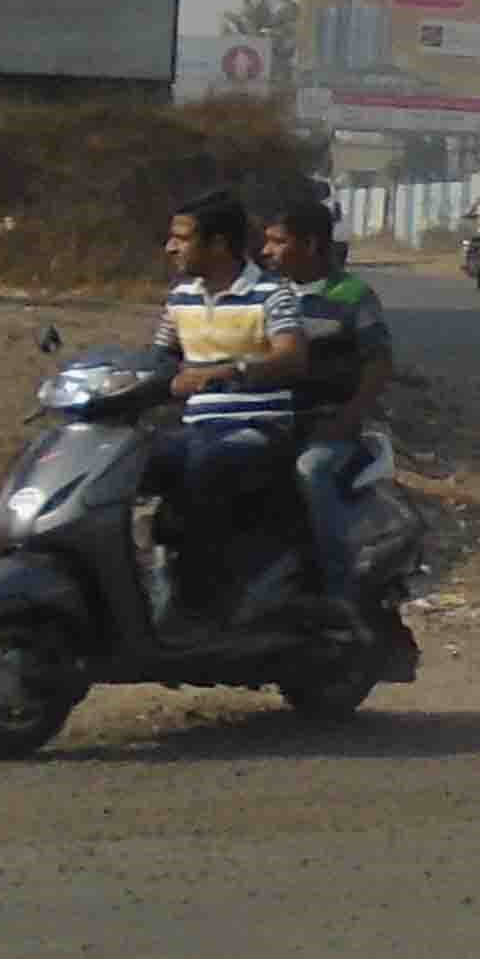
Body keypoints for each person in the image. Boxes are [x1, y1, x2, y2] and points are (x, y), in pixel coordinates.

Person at [154, 190, 324, 633]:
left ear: (218, 244)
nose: (171, 247)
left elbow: (292, 356)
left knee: (205, 466)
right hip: (196, 428)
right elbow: (158, 362)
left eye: (182, 238)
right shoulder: (180, 298)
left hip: (257, 428)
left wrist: (232, 370)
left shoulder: (272, 294)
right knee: (132, 463)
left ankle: (202, 601)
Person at [258, 192, 390, 634]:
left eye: (277, 242)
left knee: (311, 473)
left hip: (326, 425)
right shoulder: (262, 294)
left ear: (311, 245)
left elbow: (378, 364)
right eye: (266, 242)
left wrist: (350, 416)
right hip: (265, 420)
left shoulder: (353, 296)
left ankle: (339, 594)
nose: (267, 252)